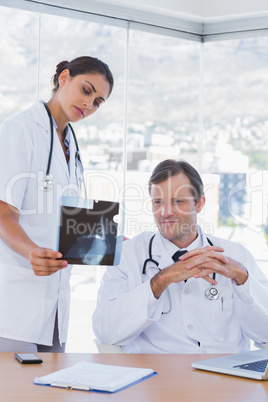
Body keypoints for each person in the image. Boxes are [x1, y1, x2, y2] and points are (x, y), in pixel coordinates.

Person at [93, 159, 268, 353]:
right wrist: (161, 280)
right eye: (157, 202)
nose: (165, 212)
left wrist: (243, 280)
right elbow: (105, 332)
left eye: (178, 202)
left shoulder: (236, 255)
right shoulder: (128, 255)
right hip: (155, 376)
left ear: (199, 203)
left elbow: (265, 333)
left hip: (227, 375)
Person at [0, 56, 114, 352]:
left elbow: (68, 221)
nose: (90, 104)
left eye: (98, 101)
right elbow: (3, 212)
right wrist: (31, 252)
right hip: (14, 305)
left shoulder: (70, 143)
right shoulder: (20, 130)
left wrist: (127, 242)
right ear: (63, 78)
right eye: (86, 90)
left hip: (56, 307)